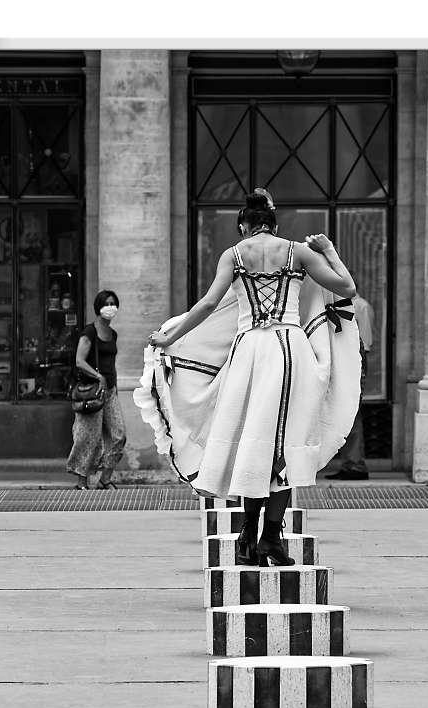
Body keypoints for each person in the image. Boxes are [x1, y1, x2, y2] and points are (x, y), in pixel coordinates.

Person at [136, 188, 360, 566]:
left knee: (251, 440)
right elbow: (347, 288)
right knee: (285, 443)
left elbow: (208, 304)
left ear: (245, 225)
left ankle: (248, 534)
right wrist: (329, 250)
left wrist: (169, 337)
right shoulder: (299, 252)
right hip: (290, 352)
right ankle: (270, 537)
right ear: (273, 225)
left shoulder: (234, 255)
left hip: (248, 353)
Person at [67, 290, 127, 490]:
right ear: (98, 307)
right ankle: (81, 481)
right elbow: (79, 361)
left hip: (109, 391)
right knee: (88, 437)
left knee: (119, 434)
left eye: (113, 303)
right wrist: (97, 376)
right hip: (92, 390)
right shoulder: (89, 332)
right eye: (107, 303)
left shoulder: (113, 334)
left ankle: (105, 478)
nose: (111, 307)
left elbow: (112, 363)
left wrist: (115, 385)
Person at [326, 278, 374, 480]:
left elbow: (362, 339)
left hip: (353, 356)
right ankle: (351, 462)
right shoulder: (355, 305)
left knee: (351, 411)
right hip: (349, 356)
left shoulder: (356, 306)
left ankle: (354, 464)